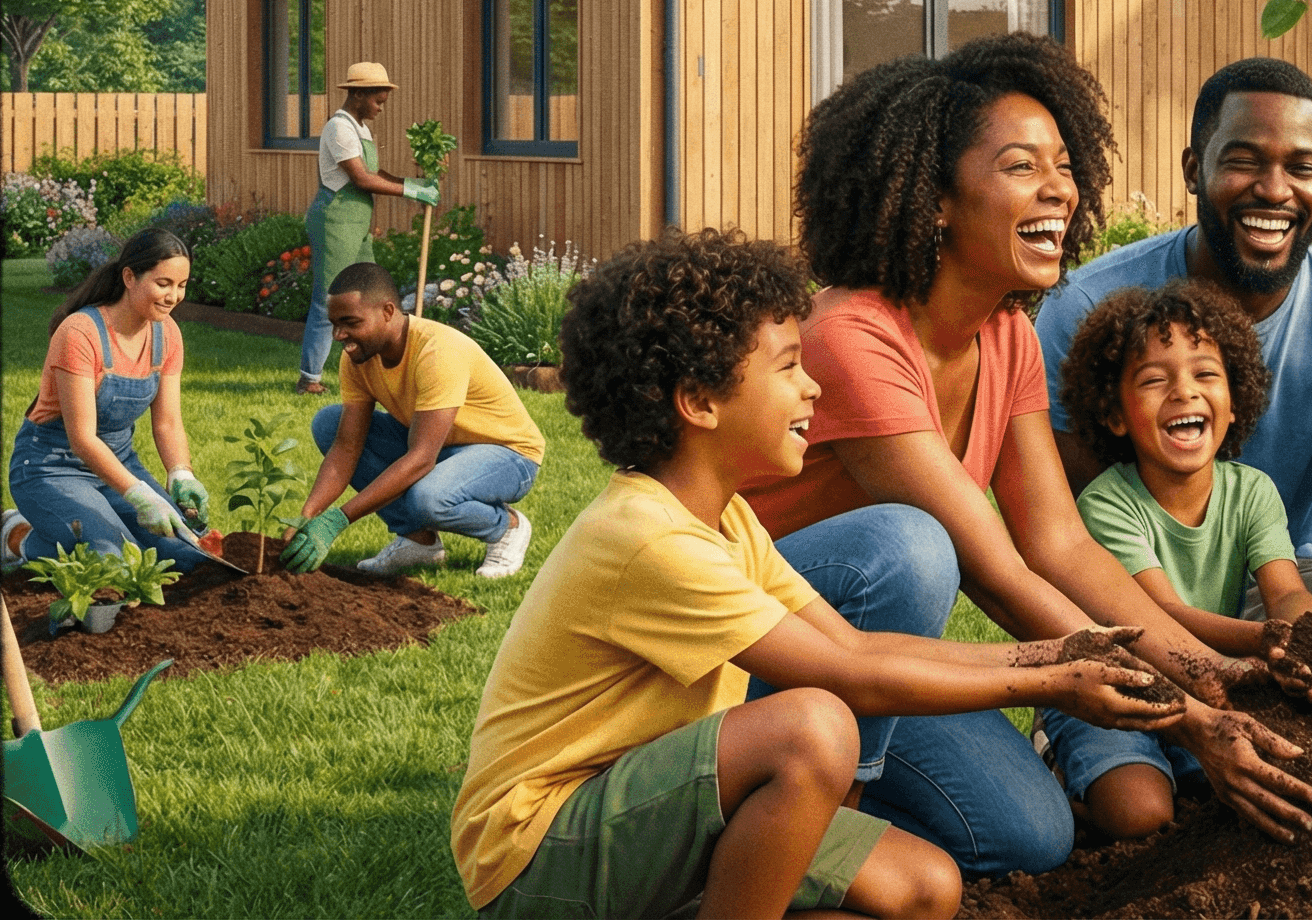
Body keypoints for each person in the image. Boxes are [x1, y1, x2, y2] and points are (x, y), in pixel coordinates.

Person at [452, 227, 1179, 920]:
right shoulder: (647, 538)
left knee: (926, 888)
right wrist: (1052, 682)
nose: (813, 389)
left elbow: (857, 645)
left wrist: (1057, 655)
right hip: (540, 851)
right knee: (813, 728)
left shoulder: (727, 518)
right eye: (788, 368)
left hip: (654, 807)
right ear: (699, 402)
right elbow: (850, 676)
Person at [743, 38, 1312, 872]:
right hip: (751, 651)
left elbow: (1059, 546)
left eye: (1065, 166)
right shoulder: (851, 338)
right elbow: (996, 572)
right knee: (911, 543)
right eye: (1022, 166)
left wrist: (1209, 672)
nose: (1060, 189)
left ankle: (789, 814)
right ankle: (798, 828)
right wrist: (1193, 717)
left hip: (874, 657)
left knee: (1030, 835)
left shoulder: (1007, 334)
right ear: (936, 199)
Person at [1039, 57, 1312, 704]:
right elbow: (1080, 541)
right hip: (1133, 584)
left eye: (1302, 167)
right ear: (1192, 171)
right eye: (1244, 161)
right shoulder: (1088, 309)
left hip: (1277, 573)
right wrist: (1233, 652)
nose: (1275, 190)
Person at [1043, 282, 1312, 842]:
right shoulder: (1108, 504)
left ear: (1235, 402)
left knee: (1234, 784)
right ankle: (1054, 767)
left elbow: (1286, 590)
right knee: (1142, 816)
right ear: (1115, 415)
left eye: (1205, 374)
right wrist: (1264, 639)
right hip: (1117, 685)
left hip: (1205, 682)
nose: (1183, 392)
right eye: (1153, 380)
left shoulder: (1252, 492)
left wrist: (1310, 634)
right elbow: (1162, 614)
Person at [288, 262, 546, 579]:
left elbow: (422, 458)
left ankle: (507, 527)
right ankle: (418, 541)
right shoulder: (357, 358)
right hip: (440, 445)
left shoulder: (437, 351)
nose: (339, 335)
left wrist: (338, 520)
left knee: (428, 497)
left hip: (507, 454)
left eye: (350, 323)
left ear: (387, 311)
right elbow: (346, 448)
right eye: (335, 324)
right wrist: (307, 517)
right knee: (329, 423)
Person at [3, 228, 211, 576]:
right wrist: (140, 495)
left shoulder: (167, 334)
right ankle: (14, 536)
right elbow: (82, 439)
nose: (173, 296)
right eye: (163, 284)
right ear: (129, 277)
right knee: (113, 558)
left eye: (182, 285)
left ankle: (87, 523)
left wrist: (181, 475)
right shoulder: (81, 333)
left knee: (187, 553)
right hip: (50, 466)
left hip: (119, 462)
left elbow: (168, 422)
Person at [300, 60, 437, 393]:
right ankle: (310, 379)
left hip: (356, 222)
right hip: (334, 220)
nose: (380, 108)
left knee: (370, 293)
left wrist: (413, 183)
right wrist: (409, 191)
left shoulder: (360, 128)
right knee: (330, 297)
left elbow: (376, 173)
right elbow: (361, 179)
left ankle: (373, 367)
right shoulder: (339, 128)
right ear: (358, 95)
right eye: (377, 101)